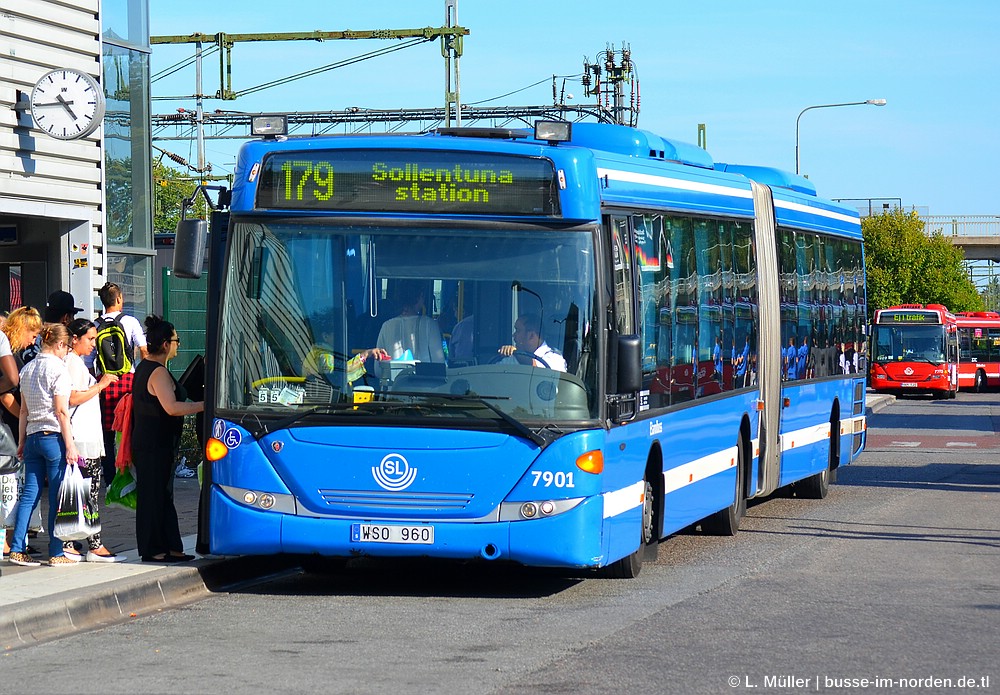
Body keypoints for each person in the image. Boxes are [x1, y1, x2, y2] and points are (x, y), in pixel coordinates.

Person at [6, 323, 80, 567]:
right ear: (59, 344)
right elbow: (61, 410)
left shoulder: (27, 369)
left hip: (32, 438)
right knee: (58, 498)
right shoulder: (58, 370)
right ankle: (56, 551)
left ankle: (17, 548)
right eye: (67, 347)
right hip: (53, 438)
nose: (67, 351)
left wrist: (22, 441)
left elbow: (24, 411)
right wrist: (70, 445)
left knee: (29, 495)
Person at [131, 316, 203, 563]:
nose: (178, 345)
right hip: (154, 444)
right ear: (164, 344)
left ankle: (171, 546)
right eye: (176, 340)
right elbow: (171, 408)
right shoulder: (158, 372)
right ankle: (154, 549)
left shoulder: (144, 367)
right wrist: (204, 405)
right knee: (154, 496)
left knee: (161, 495)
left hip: (152, 442)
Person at [62, 318, 123, 562]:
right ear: (74, 339)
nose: (94, 345)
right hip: (82, 439)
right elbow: (73, 397)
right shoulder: (73, 364)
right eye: (90, 339)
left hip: (85, 437)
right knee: (85, 492)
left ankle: (79, 540)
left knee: (83, 491)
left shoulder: (75, 362)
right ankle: (91, 544)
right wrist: (101, 384)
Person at [96, 282, 148, 488]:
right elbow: (144, 351)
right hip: (128, 382)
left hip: (106, 382)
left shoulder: (95, 325)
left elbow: (90, 363)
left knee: (108, 433)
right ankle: (133, 477)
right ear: (118, 299)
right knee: (131, 428)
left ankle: (110, 479)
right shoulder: (130, 322)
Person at [1, 306, 42, 556]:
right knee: (9, 481)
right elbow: (6, 395)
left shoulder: (16, 352)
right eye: (32, 333)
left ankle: (12, 536)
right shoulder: (8, 352)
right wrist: (24, 420)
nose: (33, 339)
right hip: (8, 424)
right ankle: (7, 539)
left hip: (12, 423)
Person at [376, 280, 445, 363]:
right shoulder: (430, 325)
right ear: (420, 296)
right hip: (424, 375)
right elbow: (439, 363)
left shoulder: (386, 326)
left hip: (393, 376)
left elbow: (379, 369)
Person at [498, 313, 567, 372]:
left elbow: (537, 370)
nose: (514, 335)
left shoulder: (555, 359)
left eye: (518, 331)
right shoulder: (513, 359)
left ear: (531, 335)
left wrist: (518, 353)